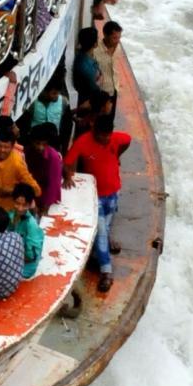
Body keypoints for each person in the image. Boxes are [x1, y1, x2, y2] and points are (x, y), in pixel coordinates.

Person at [65, 113, 132, 293]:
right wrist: (69, 176)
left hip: (113, 192)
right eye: (102, 135)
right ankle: (106, 272)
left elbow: (128, 140)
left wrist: (117, 155)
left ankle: (99, 251)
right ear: (94, 131)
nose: (105, 139)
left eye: (107, 135)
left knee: (105, 229)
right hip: (94, 197)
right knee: (101, 231)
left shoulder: (116, 139)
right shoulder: (83, 142)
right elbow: (69, 161)